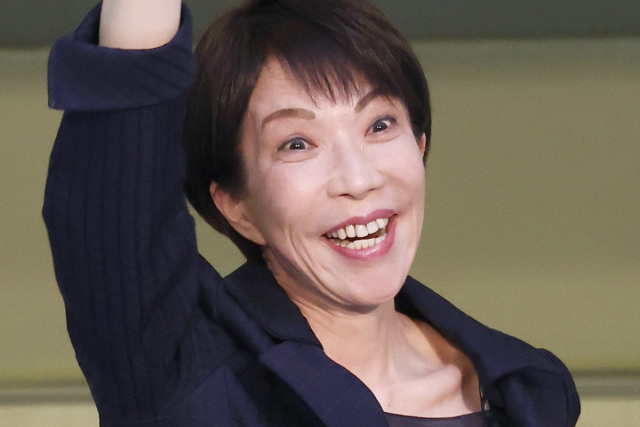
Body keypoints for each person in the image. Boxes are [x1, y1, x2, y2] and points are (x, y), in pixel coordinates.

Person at [44, 0, 580, 425]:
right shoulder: (193, 382)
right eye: (297, 144)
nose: (359, 179)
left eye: (379, 125)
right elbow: (116, 210)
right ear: (236, 207)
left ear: (419, 145)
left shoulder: (531, 391)